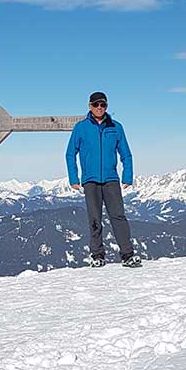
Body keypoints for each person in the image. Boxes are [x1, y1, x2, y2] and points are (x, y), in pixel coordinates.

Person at [65, 91, 142, 268]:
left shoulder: (116, 127)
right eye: (96, 104)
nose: (100, 108)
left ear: (106, 106)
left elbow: (126, 154)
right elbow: (70, 153)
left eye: (103, 105)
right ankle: (97, 255)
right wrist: (73, 178)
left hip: (111, 179)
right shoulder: (81, 127)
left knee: (118, 216)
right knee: (94, 218)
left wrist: (127, 175)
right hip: (90, 180)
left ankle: (127, 255)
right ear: (90, 106)